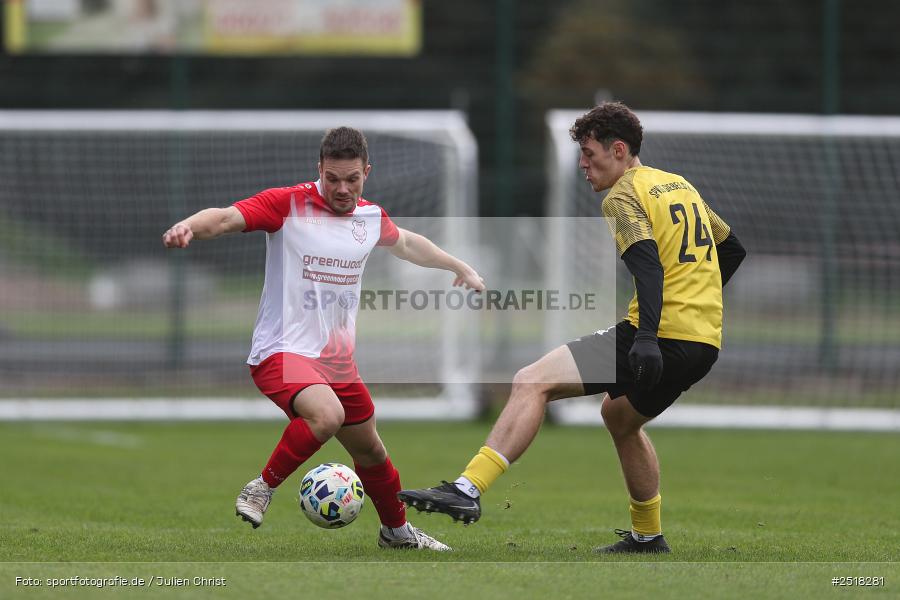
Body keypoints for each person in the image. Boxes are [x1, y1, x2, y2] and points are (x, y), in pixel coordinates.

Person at [398, 102, 746, 553]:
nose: (583, 164)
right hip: (702, 345)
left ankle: (467, 489)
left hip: (658, 335)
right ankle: (648, 535)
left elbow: (649, 270)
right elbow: (731, 249)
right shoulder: (679, 185)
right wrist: (698, 298)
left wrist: (645, 338)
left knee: (531, 380)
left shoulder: (623, 195)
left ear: (619, 150)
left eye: (589, 153)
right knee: (618, 417)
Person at [162, 126, 484, 552]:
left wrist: (457, 266)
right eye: (333, 178)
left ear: (367, 172)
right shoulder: (288, 203)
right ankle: (261, 487)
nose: (342, 188)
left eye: (352, 179)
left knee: (370, 452)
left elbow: (406, 243)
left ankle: (397, 533)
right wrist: (188, 226)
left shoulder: (370, 218)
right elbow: (224, 217)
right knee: (326, 415)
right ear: (319, 170)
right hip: (282, 352)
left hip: (335, 363)